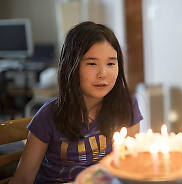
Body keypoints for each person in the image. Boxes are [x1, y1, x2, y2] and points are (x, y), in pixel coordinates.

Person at [11, 22, 143, 183]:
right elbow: (23, 178)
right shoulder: (49, 115)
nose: (103, 74)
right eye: (92, 63)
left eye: (110, 63)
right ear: (71, 66)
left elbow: (130, 163)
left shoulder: (126, 105)